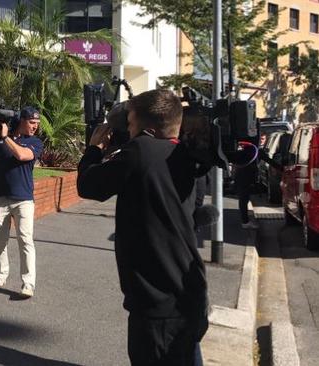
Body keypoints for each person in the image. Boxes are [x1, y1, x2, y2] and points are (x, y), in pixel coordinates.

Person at [77, 89, 208, 365]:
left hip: (156, 306)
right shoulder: (187, 156)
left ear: (147, 129)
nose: (128, 129)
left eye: (132, 122)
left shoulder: (139, 151)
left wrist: (94, 149)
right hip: (190, 294)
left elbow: (88, 185)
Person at [0, 106, 43, 299]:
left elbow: (23, 155)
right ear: (22, 121)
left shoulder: (34, 142)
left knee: (25, 240)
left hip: (23, 199)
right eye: (32, 123)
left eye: (37, 124)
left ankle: (28, 284)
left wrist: (6, 137)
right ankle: (1, 274)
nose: (35, 127)